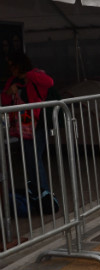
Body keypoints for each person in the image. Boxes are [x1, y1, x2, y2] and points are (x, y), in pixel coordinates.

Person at [1, 52, 58, 214]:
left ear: (20, 65)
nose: (11, 69)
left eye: (13, 65)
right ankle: (37, 192)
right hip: (22, 127)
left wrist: (28, 75)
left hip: (38, 124)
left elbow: (49, 82)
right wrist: (11, 92)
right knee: (30, 159)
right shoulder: (12, 81)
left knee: (34, 158)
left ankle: (44, 194)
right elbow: (5, 101)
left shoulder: (35, 76)